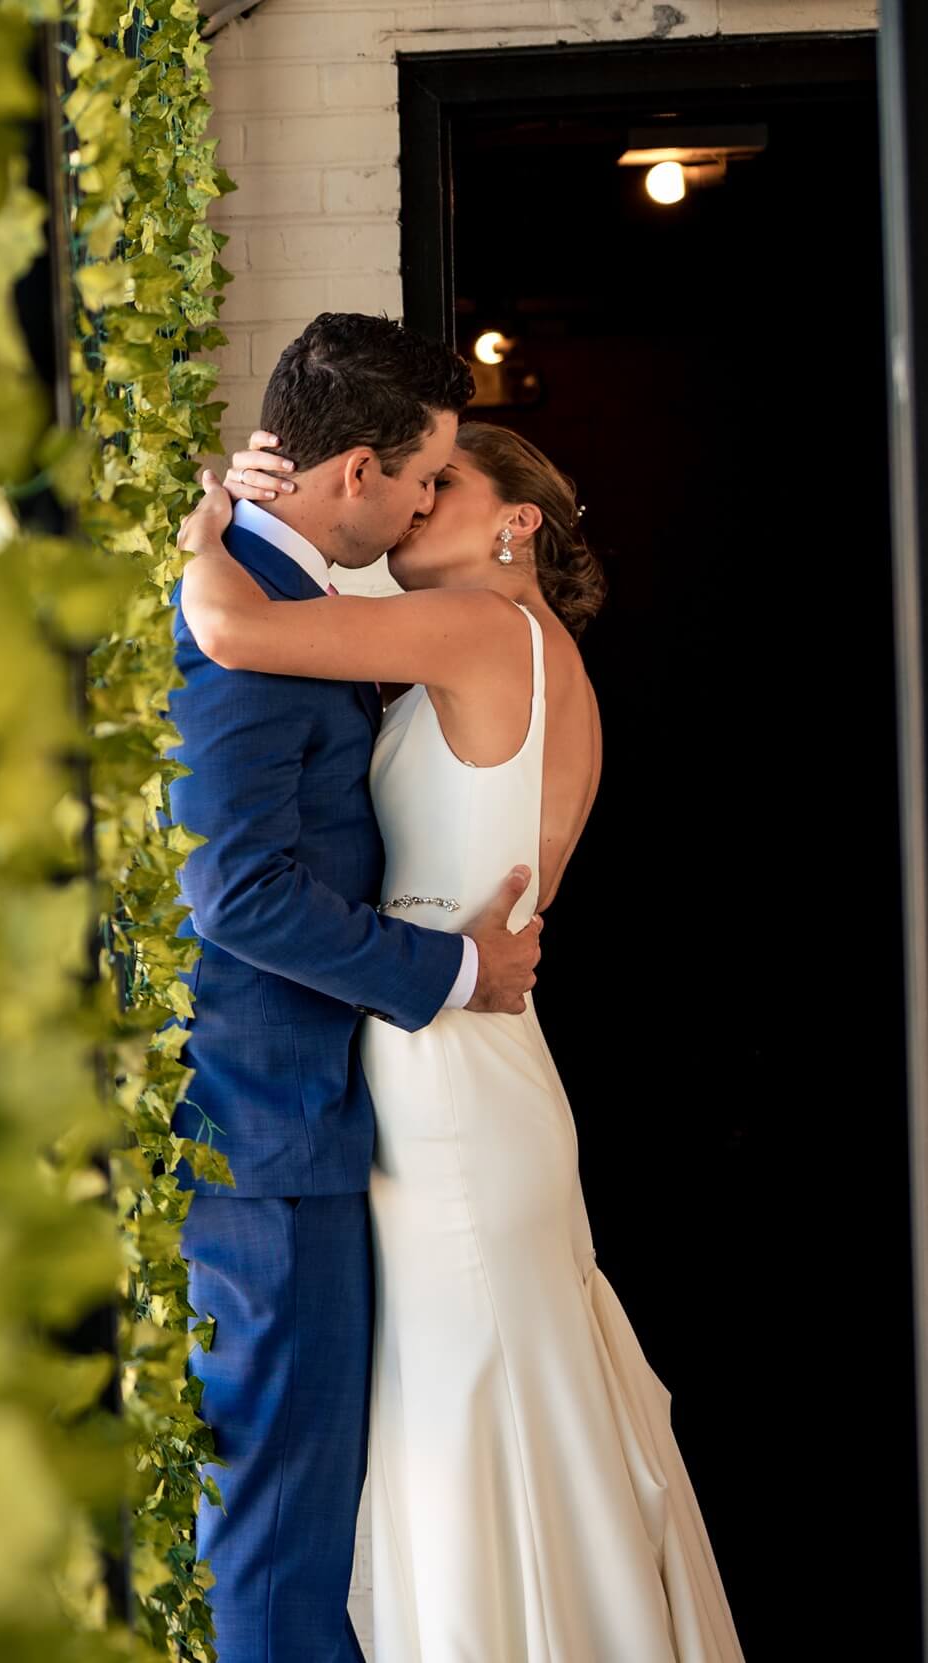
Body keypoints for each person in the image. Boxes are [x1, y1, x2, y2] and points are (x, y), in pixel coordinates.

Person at [178, 400, 744, 1659]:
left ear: (517, 522)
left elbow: (229, 623)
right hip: (474, 1054)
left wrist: (209, 515)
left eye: (442, 489)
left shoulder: (482, 626)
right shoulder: (523, 651)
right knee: (487, 1426)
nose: (413, 504)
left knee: (466, 1435)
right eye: (413, 483)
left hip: (445, 1074)